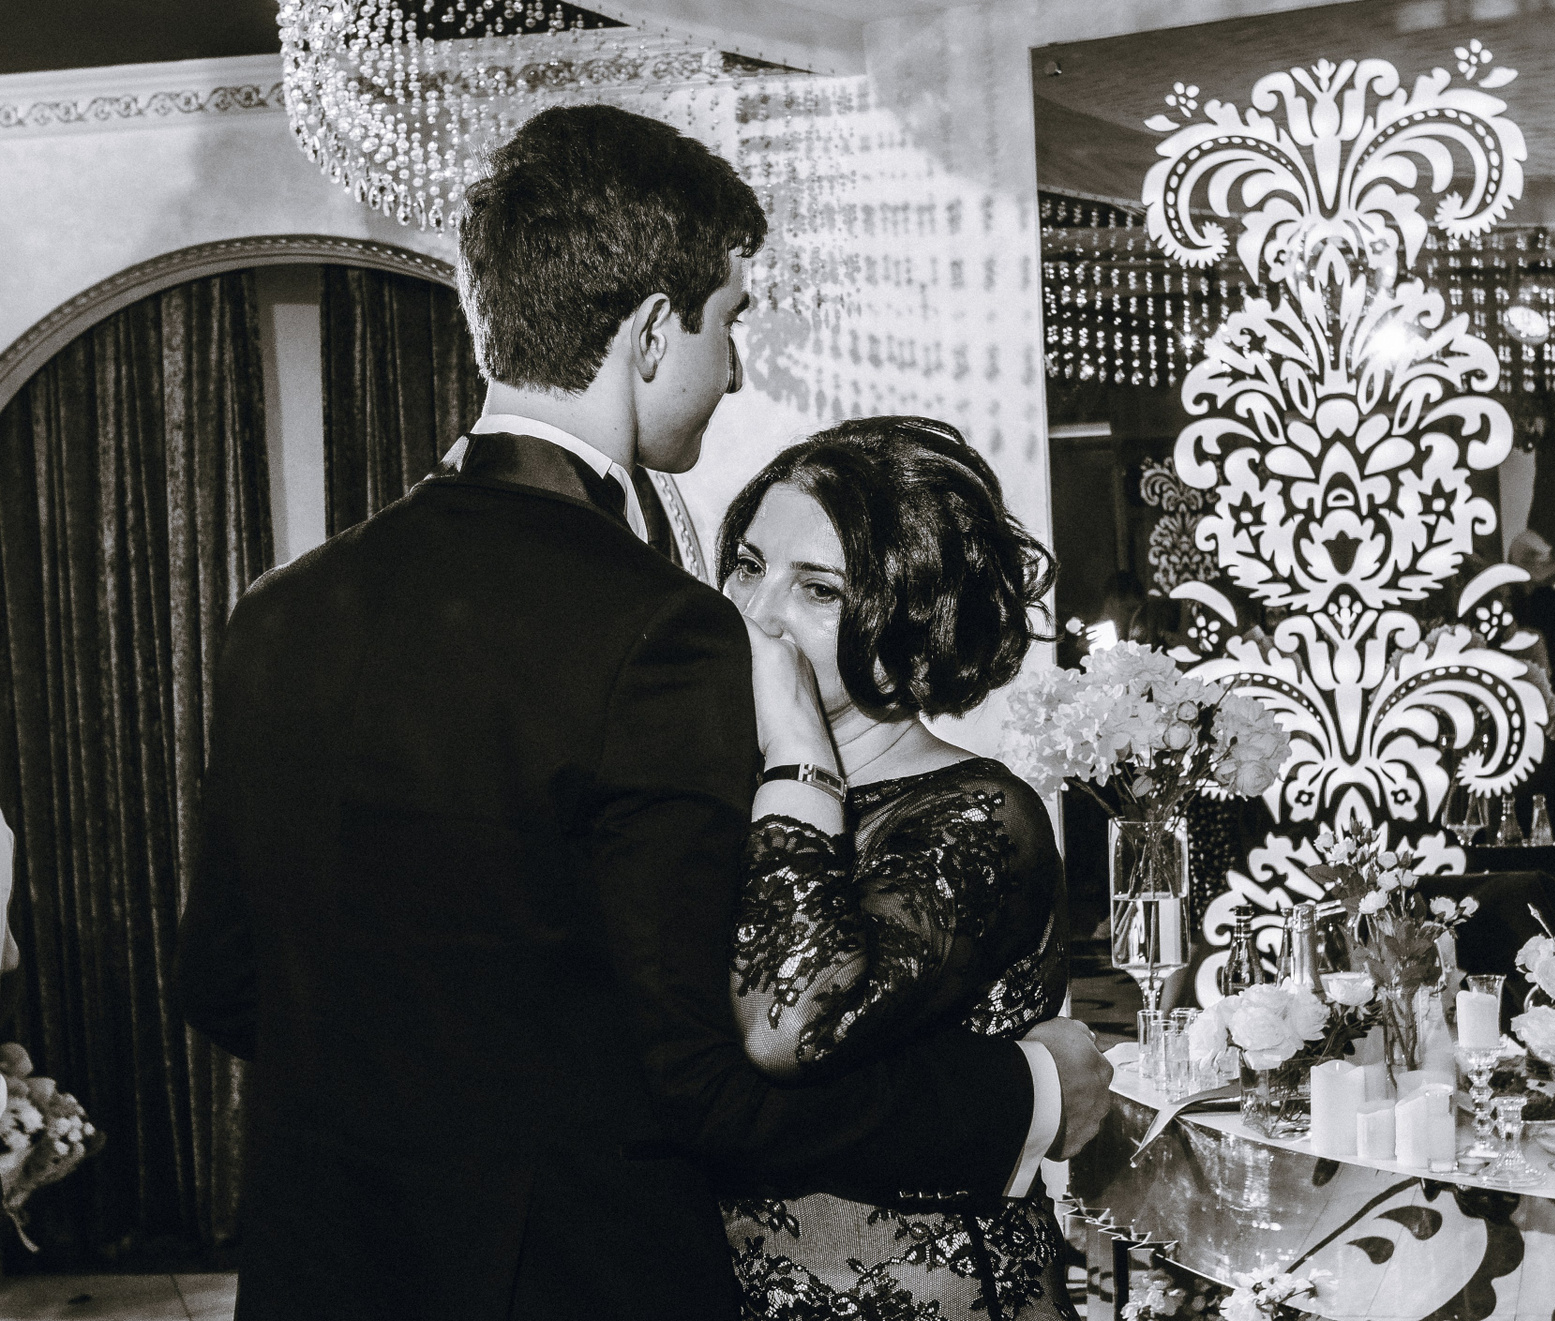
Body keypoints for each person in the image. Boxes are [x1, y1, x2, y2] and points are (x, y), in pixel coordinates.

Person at [173, 106, 1111, 1321]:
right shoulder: (662, 633)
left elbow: (223, 982)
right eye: (731, 323)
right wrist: (1023, 1096)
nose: (737, 369)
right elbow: (706, 1086)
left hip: (319, 1275)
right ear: (656, 330)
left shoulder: (280, 606)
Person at [717, 417, 1072, 1319]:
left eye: (818, 589)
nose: (756, 613)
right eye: (749, 566)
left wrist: (802, 750)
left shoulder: (981, 814)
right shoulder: (723, 793)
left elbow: (790, 1023)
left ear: (913, 624)